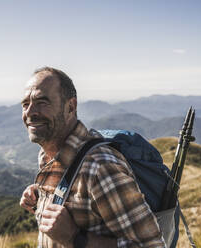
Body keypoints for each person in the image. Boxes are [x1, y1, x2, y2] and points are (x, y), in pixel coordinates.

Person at [20, 67, 166, 248]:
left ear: (70, 107)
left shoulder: (100, 167)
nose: (30, 112)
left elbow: (153, 246)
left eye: (42, 102)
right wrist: (40, 199)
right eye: (25, 104)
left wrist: (75, 238)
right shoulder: (50, 157)